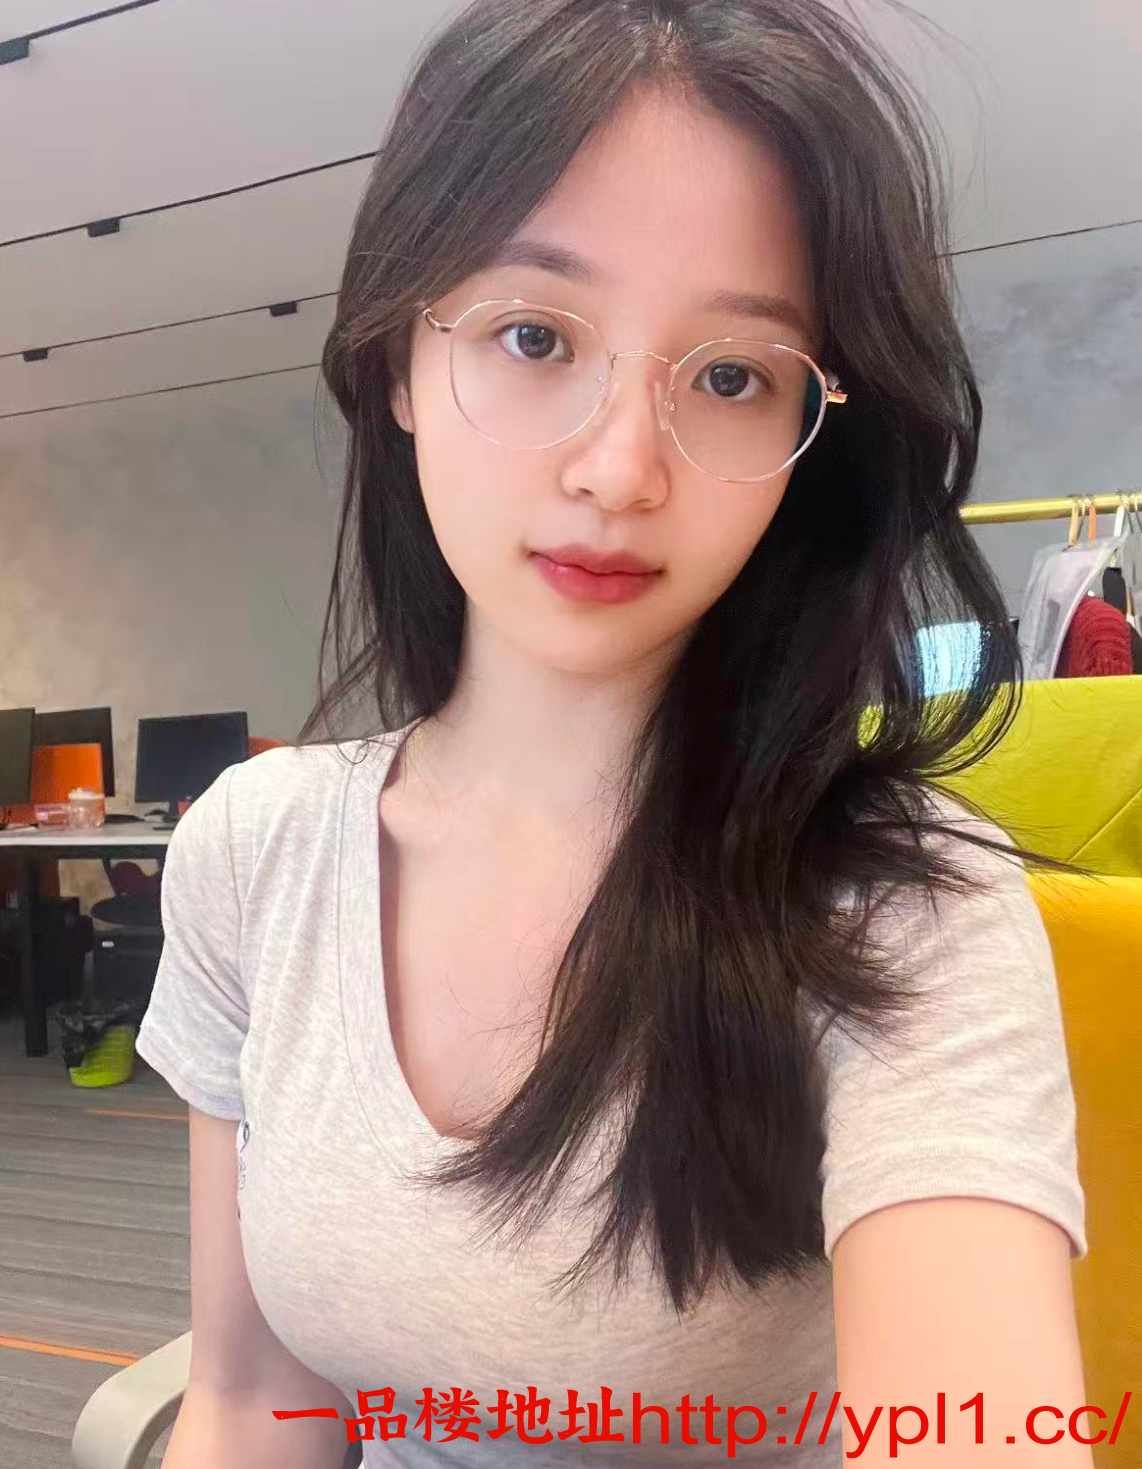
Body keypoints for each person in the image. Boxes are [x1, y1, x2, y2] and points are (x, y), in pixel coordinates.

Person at [135, 2, 1093, 1465]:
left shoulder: (904, 904)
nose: (620, 468)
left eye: (733, 375)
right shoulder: (253, 854)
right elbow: (259, 1397)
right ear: (397, 362)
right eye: (534, 335)